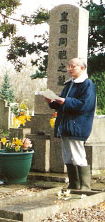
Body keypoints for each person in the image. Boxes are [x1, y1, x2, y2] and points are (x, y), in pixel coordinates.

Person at [45, 58, 96, 191]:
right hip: (66, 124)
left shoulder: (87, 84)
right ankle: (74, 185)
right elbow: (62, 104)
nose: (70, 69)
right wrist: (52, 101)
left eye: (73, 66)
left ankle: (84, 187)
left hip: (77, 125)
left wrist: (65, 101)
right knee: (68, 155)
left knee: (78, 155)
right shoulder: (69, 85)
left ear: (82, 68)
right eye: (69, 66)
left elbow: (84, 105)